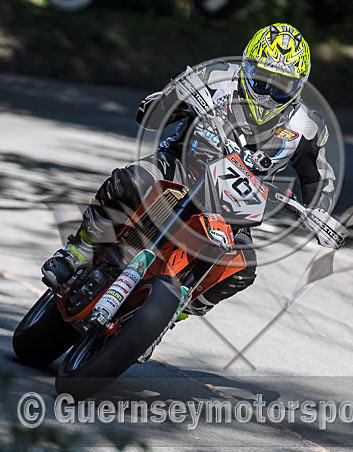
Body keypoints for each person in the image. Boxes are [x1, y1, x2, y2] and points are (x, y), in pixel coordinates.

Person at [42, 22, 337, 316]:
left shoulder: (306, 127)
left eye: (281, 87)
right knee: (128, 182)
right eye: (262, 80)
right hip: (181, 167)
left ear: (298, 87)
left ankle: (174, 312)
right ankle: (79, 251)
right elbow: (149, 116)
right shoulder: (216, 76)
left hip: (236, 206)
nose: (268, 95)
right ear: (247, 68)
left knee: (242, 269)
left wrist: (320, 212)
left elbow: (319, 176)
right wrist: (176, 99)